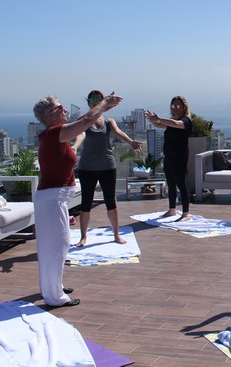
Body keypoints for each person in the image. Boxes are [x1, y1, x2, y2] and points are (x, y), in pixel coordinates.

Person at [33, 92, 122, 307]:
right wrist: (103, 104)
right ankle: (55, 297)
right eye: (60, 107)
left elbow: (83, 126)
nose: (64, 110)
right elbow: (85, 121)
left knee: (54, 246)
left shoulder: (57, 135)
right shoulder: (55, 133)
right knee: (58, 245)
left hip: (55, 198)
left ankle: (54, 286)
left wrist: (103, 109)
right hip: (52, 199)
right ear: (51, 115)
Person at [71, 90, 143, 247]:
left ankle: (116, 234)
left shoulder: (109, 122)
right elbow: (80, 135)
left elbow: (118, 132)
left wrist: (131, 142)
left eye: (98, 99)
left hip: (107, 167)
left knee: (111, 202)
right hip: (87, 168)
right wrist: (75, 147)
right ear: (88, 102)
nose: (95, 102)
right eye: (92, 99)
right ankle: (83, 237)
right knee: (86, 203)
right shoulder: (84, 120)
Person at [145, 96, 193, 221]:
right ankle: (172, 210)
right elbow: (160, 124)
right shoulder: (172, 121)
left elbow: (177, 124)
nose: (175, 108)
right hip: (169, 156)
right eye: (173, 106)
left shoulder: (186, 120)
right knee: (171, 183)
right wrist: (152, 120)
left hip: (179, 156)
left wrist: (159, 119)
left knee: (181, 184)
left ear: (183, 107)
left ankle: (186, 213)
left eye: (178, 106)